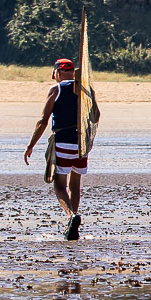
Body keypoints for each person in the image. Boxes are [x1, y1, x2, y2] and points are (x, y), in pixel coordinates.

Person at [22, 57, 96, 240]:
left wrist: (31, 145)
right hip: (81, 143)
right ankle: (74, 221)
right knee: (75, 184)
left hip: (63, 141)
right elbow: (96, 115)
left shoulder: (56, 89)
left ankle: (71, 216)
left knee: (59, 184)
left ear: (56, 73)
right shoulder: (86, 89)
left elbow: (43, 120)